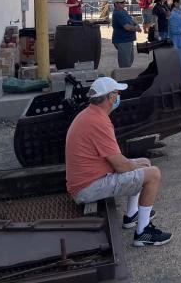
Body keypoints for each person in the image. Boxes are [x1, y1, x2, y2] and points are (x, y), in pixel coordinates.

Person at [65, 76, 172, 247]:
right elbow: (121, 166)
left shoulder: (90, 114)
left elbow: (116, 160)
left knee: (143, 163)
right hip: (87, 188)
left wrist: (136, 164)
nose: (118, 97)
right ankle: (143, 233)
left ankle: (132, 215)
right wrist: (134, 165)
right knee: (153, 174)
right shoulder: (98, 121)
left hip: (86, 181)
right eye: (117, 93)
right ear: (110, 97)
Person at [111, 0, 141, 68]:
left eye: (124, 2)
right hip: (123, 40)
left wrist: (136, 24)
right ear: (116, 4)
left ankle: (125, 74)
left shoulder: (123, 11)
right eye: (121, 2)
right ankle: (124, 75)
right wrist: (136, 28)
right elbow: (127, 27)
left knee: (129, 60)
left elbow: (131, 19)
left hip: (127, 39)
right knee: (125, 64)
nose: (124, 3)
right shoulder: (118, 13)